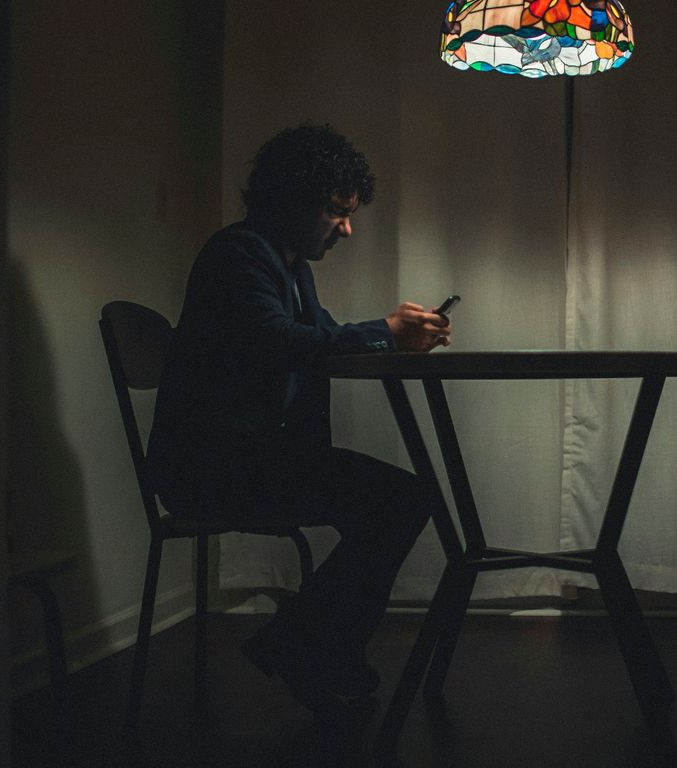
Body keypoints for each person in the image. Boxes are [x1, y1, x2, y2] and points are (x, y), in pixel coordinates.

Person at [146, 122, 451, 723]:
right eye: (337, 212)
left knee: (402, 498)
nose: (347, 228)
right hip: (212, 466)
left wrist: (392, 336)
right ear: (291, 200)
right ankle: (306, 649)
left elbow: (318, 339)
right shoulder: (236, 254)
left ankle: (307, 648)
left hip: (246, 456)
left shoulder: (287, 268)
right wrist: (384, 336)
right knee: (401, 500)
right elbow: (281, 341)